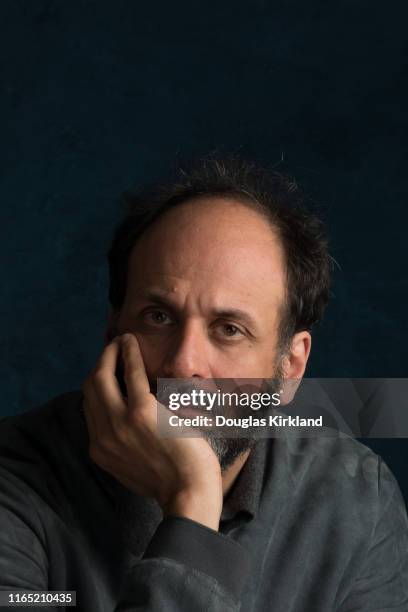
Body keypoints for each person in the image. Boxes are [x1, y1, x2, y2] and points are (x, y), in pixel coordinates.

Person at [0, 155, 407, 611]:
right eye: (158, 317)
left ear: (290, 367)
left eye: (229, 329)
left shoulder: (355, 496)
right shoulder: (13, 482)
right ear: (113, 331)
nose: (183, 364)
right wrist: (193, 505)